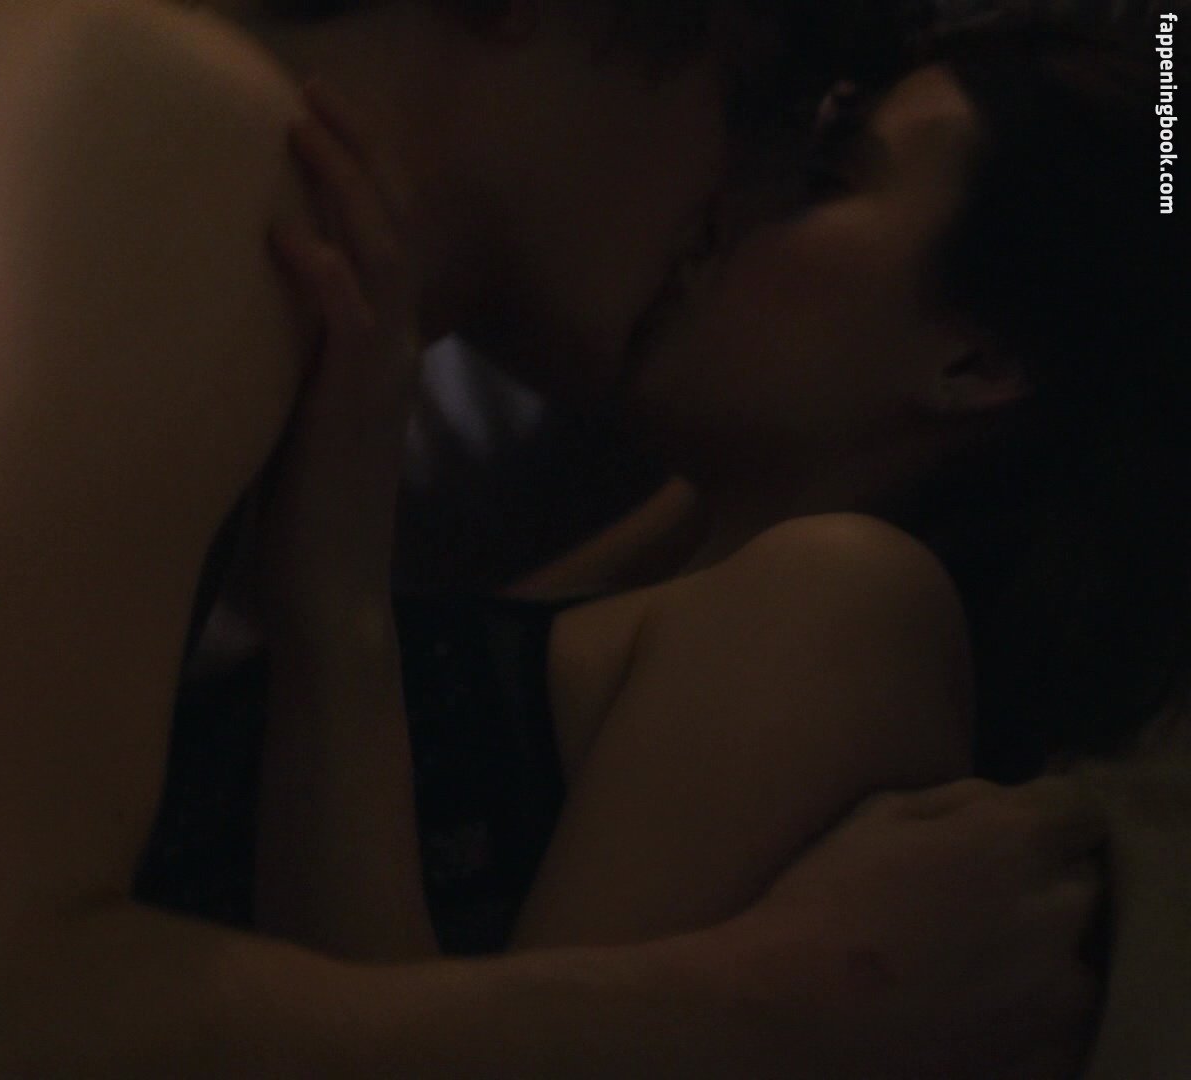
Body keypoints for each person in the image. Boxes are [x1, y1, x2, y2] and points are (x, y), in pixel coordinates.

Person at [0, 0, 1103, 1075]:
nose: (753, 202)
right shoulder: (172, 133)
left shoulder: (214, 272)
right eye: (777, 104)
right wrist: (777, 1012)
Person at [145, 6, 1168, 1060]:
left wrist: (333, 601)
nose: (730, 211)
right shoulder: (694, 572)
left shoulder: (845, 606)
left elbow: (409, 1046)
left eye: (824, 181)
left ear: (975, 364)